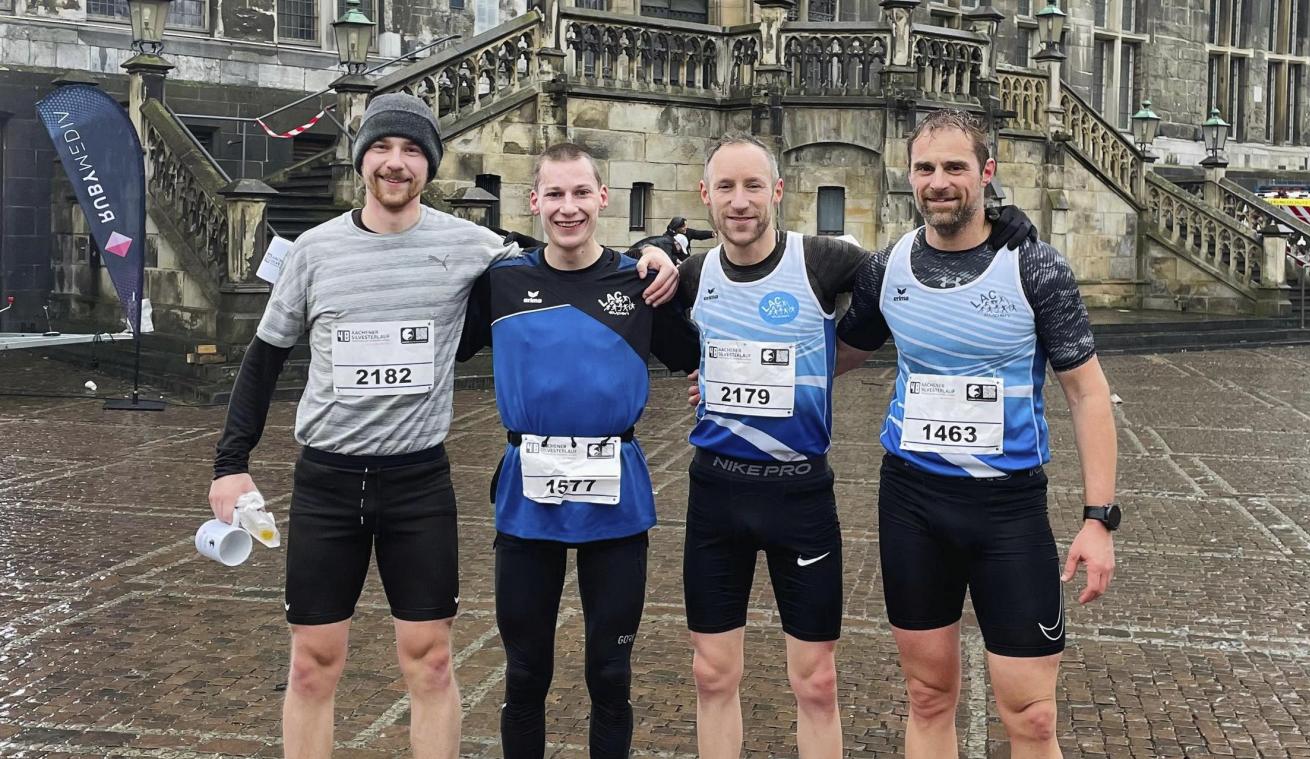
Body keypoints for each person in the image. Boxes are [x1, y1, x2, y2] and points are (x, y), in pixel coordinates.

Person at [207, 93, 676, 759]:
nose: (395, 164)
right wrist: (231, 462)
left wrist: (656, 250)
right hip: (326, 481)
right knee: (313, 662)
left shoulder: (472, 245)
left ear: (428, 166)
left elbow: (569, 254)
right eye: (382, 148)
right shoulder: (314, 251)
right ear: (361, 156)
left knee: (429, 662)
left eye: (411, 152)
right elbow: (262, 360)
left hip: (418, 482)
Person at [833, 108, 1118, 759]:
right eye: (926, 167)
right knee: (928, 696)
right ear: (909, 176)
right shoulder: (887, 268)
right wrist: (728, 365)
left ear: (986, 173)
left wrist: (1098, 518)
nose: (939, 181)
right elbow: (837, 354)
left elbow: (1087, 390)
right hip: (910, 502)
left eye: (955, 166)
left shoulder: (1036, 268)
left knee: (1034, 717)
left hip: (1007, 510)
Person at [457, 143, 700, 758]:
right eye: (555, 195)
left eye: (581, 193)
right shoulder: (500, 281)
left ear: (603, 198)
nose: (569, 208)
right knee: (525, 675)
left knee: (610, 676)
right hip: (527, 494)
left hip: (614, 494)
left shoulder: (638, 280)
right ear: (534, 201)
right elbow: (443, 343)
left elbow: (689, 357)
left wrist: (668, 263)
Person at [674, 133, 872, 759]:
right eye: (726, 187)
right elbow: (614, 291)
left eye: (753, 186)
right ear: (705, 196)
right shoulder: (693, 274)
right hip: (715, 495)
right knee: (711, 674)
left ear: (778, 193)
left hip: (799, 496)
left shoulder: (823, 260)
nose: (740, 202)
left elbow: (914, 270)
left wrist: (998, 225)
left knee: (815, 681)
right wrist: (652, 251)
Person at [631, 216, 717, 264]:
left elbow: (697, 234)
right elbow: (667, 258)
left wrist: (711, 234)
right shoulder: (667, 240)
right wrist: (677, 261)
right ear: (677, 227)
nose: (686, 228)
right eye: (683, 226)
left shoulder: (687, 232)